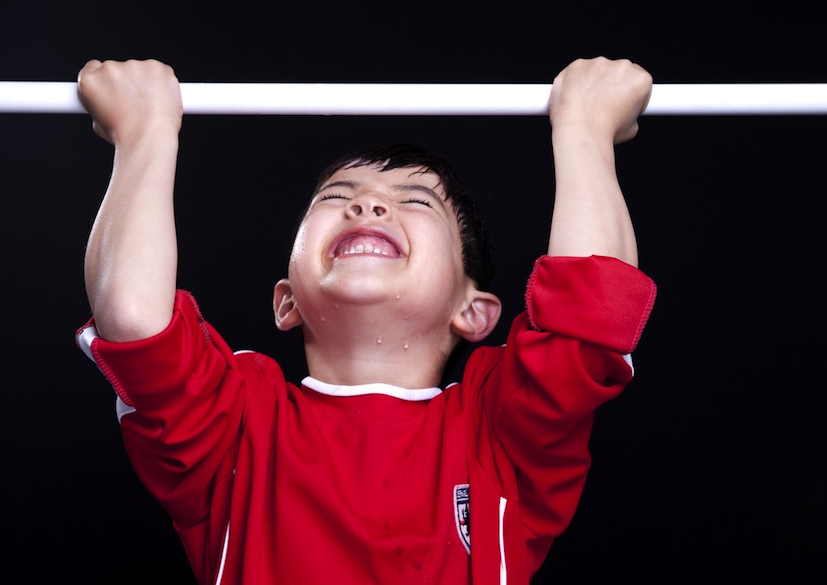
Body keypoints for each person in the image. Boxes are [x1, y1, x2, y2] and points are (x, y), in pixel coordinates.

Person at [75, 56, 656, 584]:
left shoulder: (499, 426)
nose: (368, 204)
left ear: (472, 311)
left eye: (415, 201)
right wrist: (145, 132)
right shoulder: (236, 420)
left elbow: (590, 317)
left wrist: (585, 130)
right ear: (287, 301)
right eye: (336, 197)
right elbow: (134, 318)